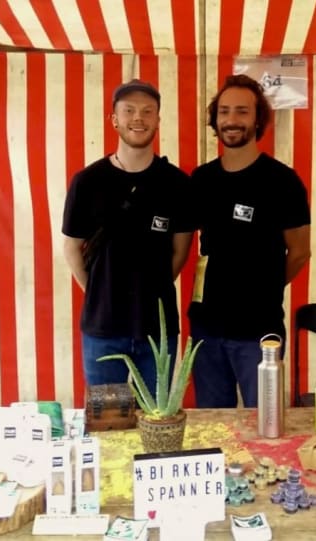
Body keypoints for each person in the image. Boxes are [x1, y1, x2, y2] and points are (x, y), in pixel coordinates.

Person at [62, 79, 193, 396]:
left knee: (158, 421)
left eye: (148, 111)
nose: (139, 118)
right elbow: (71, 249)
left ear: (158, 121)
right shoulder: (87, 182)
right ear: (114, 120)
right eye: (130, 110)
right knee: (108, 424)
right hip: (102, 330)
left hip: (157, 332)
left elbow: (180, 251)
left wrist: (151, 288)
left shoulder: (177, 184)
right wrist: (98, 291)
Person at [189, 74, 311, 408]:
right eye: (224, 111)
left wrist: (264, 285)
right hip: (206, 331)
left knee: (266, 428)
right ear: (215, 119)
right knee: (214, 429)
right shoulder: (201, 180)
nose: (231, 120)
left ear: (258, 120)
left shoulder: (282, 182)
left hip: (259, 332)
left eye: (242, 111)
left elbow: (300, 252)